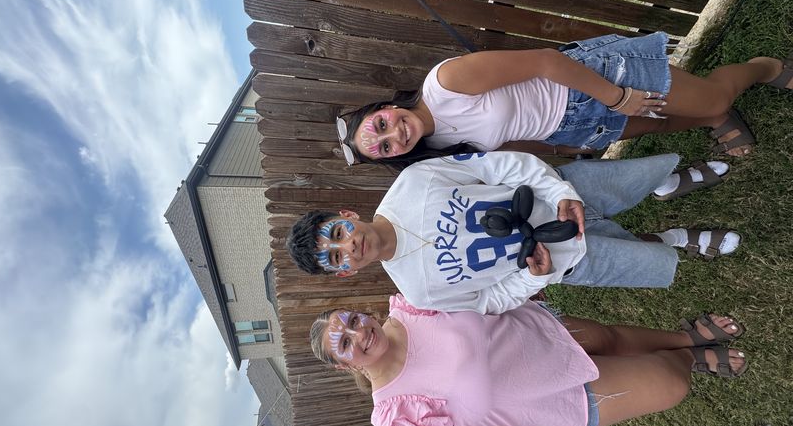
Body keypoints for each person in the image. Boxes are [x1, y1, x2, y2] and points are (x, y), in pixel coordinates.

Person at [310, 294, 748, 426]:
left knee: (614, 337)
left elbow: (474, 295)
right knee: (669, 384)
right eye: (344, 344)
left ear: (359, 310)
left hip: (545, 332)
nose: (357, 333)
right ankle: (691, 359)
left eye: (349, 320)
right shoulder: (397, 416)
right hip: (561, 399)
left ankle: (684, 337)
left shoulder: (409, 306)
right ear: (345, 366)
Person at [286, 151, 740, 314]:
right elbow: (488, 301)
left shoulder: (410, 185)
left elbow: (494, 165)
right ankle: (676, 239)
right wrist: (534, 278)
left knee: (633, 179)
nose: (349, 245)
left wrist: (557, 189)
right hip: (564, 261)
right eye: (336, 256)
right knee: (645, 261)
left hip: (562, 194)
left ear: (346, 214)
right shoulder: (419, 291)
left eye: (338, 232)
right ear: (344, 273)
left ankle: (668, 184)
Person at [334, 33, 792, 166]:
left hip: (592, 83)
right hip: (570, 126)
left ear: (383, 109)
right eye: (387, 147)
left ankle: (764, 66)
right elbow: (510, 143)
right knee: (658, 124)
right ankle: (712, 119)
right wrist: (563, 148)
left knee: (711, 97)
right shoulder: (437, 150)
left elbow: (546, 62)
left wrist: (618, 98)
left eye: (381, 126)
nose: (394, 134)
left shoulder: (446, 83)